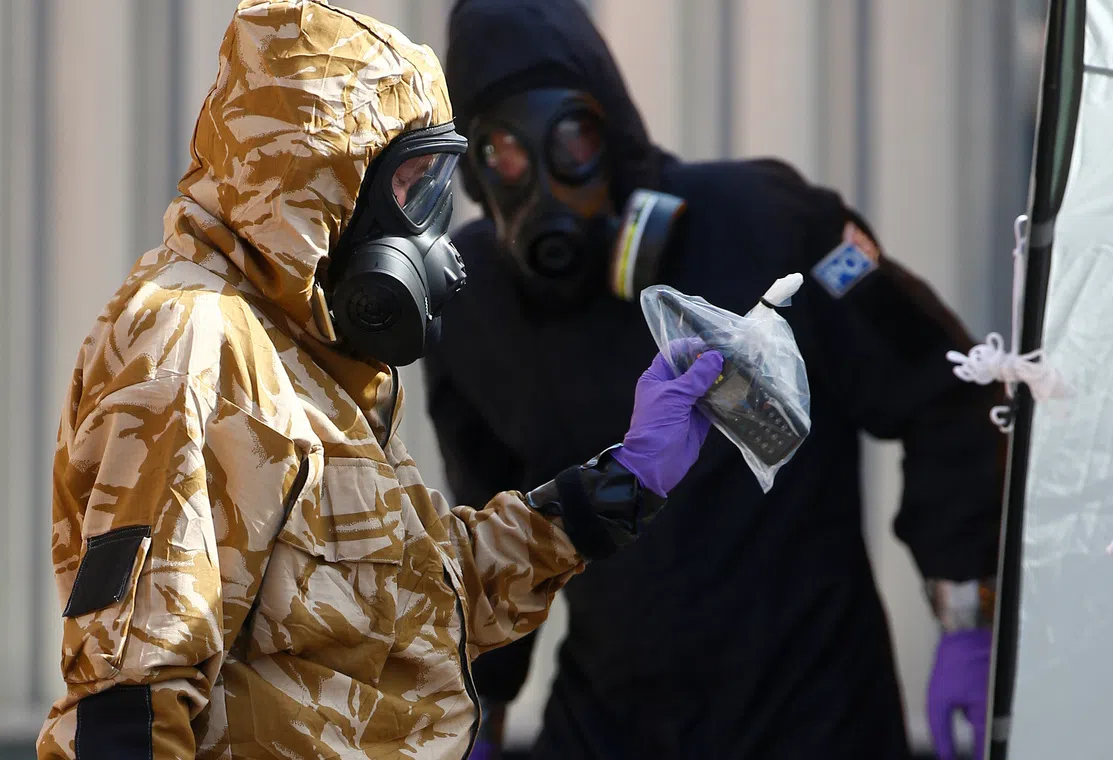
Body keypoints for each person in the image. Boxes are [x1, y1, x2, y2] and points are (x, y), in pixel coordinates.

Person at [34, 2, 724, 758]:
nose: (434, 233)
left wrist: (620, 483)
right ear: (321, 181)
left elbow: (423, 592)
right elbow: (129, 701)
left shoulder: (309, 359)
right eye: (415, 186)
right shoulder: (196, 346)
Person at [424, 1, 1006, 759]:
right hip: (611, 726)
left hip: (813, 720)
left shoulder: (774, 225)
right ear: (472, 172)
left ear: (616, 130)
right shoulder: (475, 308)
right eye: (500, 152)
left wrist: (969, 614)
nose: (538, 180)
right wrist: (475, 711)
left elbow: (945, 391)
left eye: (569, 139)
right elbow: (491, 530)